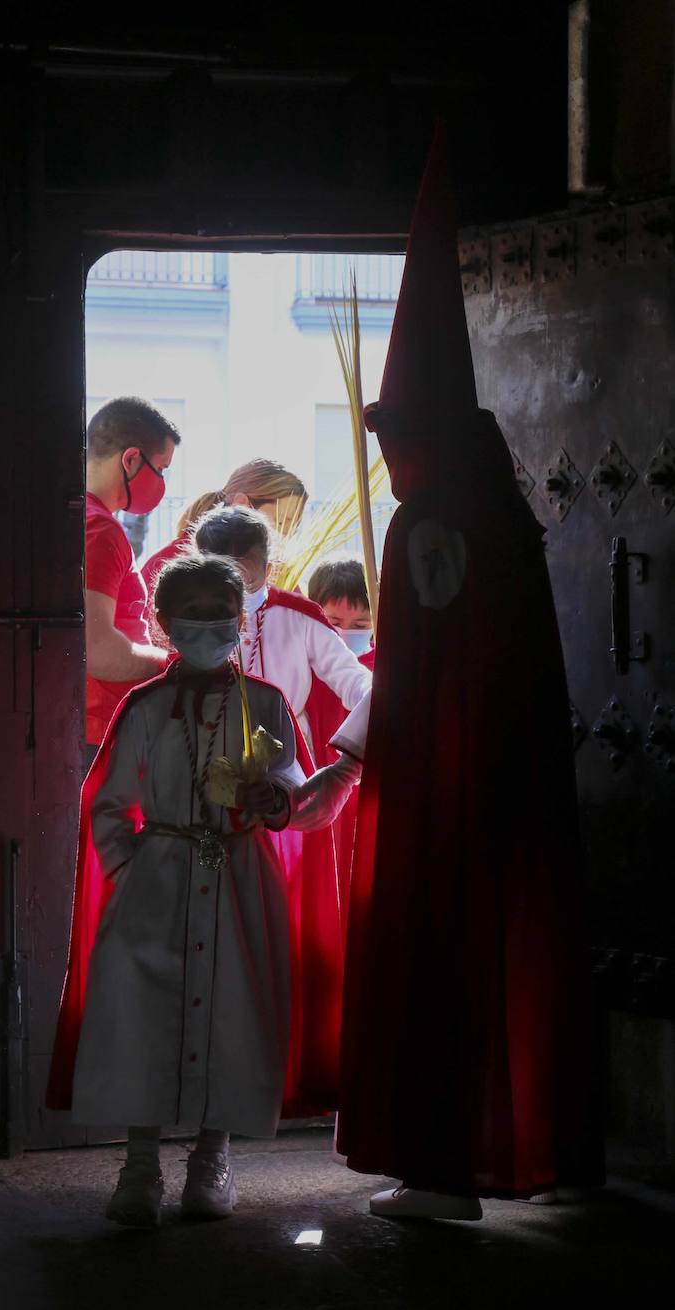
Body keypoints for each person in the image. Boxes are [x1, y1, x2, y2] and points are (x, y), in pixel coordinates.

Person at [333, 126, 603, 1218]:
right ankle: (543, 1150)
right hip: (504, 785)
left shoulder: (431, 524)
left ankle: (445, 1170)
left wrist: (370, 761)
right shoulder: (496, 514)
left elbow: (420, 672)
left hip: (450, 799)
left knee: (444, 965)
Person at [46, 553, 344, 1228]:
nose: (207, 625)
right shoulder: (144, 707)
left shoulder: (265, 703)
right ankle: (141, 1166)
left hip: (241, 880)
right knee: (142, 1015)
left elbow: (295, 786)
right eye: (193, 612)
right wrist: (134, 869)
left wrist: (279, 800)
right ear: (161, 621)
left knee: (234, 1016)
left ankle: (212, 1162)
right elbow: (110, 804)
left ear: (241, 619)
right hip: (159, 877)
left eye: (220, 612)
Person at [194, 507, 371, 759]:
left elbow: (349, 677)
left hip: (286, 749)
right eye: (219, 579)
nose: (233, 593)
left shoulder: (299, 614)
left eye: (245, 581)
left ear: (267, 571)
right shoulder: (191, 619)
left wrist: (374, 693)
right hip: (214, 746)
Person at [83, 397, 180, 769]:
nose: (162, 482)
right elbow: (98, 648)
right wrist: (175, 664)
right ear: (131, 459)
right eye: (161, 468)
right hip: (99, 732)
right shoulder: (100, 530)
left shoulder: (86, 520)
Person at [304, 558, 376, 902]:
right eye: (333, 623)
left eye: (361, 624)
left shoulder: (383, 668)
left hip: (366, 803)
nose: (347, 634)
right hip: (313, 787)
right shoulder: (305, 669)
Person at [140, 459, 308, 601]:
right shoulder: (169, 564)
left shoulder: (278, 572)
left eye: (293, 529)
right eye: (280, 523)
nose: (285, 536)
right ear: (242, 504)